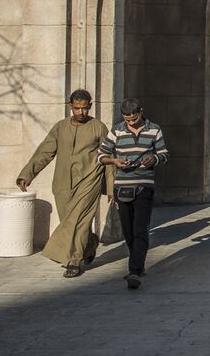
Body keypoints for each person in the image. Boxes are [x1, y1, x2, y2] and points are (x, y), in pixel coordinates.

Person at [16, 90, 110, 278]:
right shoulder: (60, 127)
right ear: (70, 107)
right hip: (63, 183)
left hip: (90, 179)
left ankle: (73, 261)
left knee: (79, 222)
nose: (81, 112)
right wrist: (28, 173)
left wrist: (111, 186)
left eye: (85, 108)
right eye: (77, 108)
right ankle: (90, 243)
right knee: (69, 220)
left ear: (90, 106)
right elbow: (45, 152)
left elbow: (108, 157)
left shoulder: (98, 127)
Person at [98, 98, 169, 290]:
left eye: (134, 118)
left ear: (141, 111)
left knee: (140, 228)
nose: (130, 122)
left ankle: (134, 270)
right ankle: (137, 260)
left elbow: (164, 154)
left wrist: (153, 158)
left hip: (145, 185)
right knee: (128, 230)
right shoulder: (116, 130)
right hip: (123, 186)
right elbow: (101, 155)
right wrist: (115, 162)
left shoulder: (154, 129)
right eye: (127, 119)